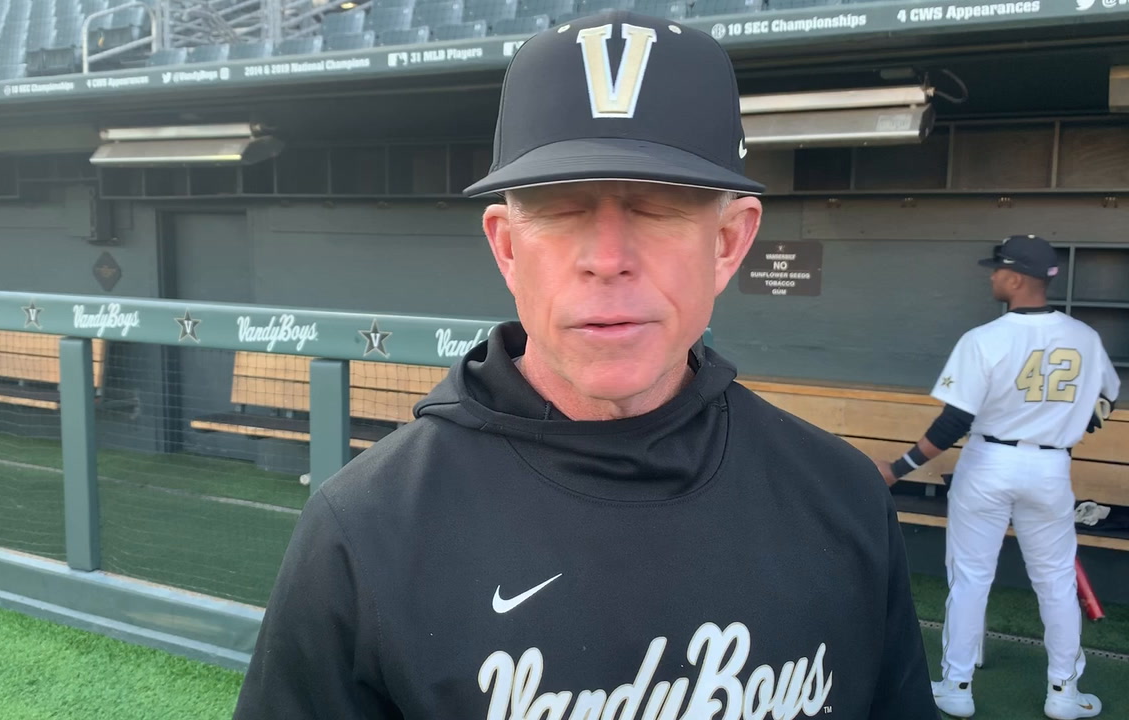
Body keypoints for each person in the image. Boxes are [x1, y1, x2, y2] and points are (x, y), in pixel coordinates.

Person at [234, 11, 938, 719]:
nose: (607, 258)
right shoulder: (363, 524)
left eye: (657, 207)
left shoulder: (840, 494)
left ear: (729, 242)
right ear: (507, 247)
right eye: (562, 209)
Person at [874, 234, 1120, 720]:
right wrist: (1063, 426)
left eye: (997, 270)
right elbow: (1106, 401)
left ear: (1016, 277)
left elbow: (953, 422)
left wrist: (898, 469)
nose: (992, 277)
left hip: (989, 463)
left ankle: (958, 686)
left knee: (970, 579)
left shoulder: (985, 338)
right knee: (1053, 583)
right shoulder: (1085, 338)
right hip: (1049, 465)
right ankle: (1063, 694)